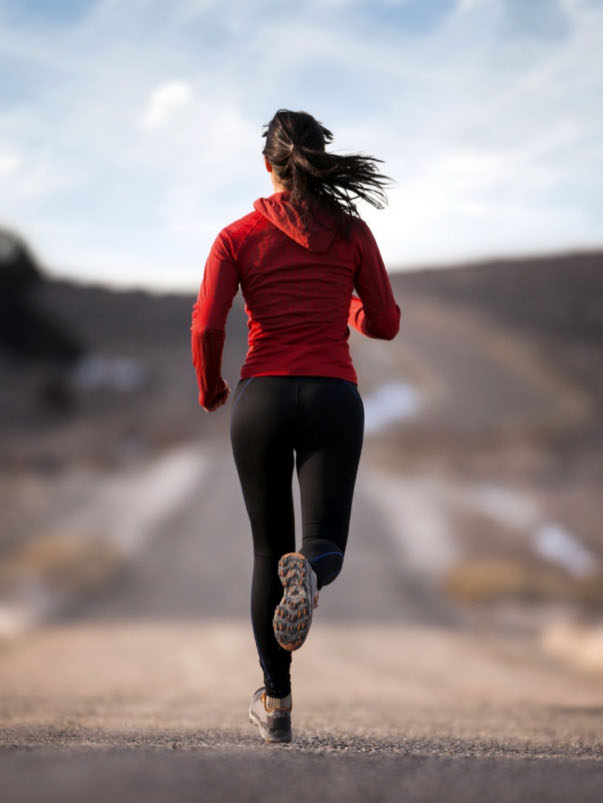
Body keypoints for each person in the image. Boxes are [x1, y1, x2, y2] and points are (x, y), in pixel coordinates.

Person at [190, 109, 400, 744]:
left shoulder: (237, 236)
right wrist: (352, 304)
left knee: (265, 550)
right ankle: (308, 572)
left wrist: (211, 387)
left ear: (267, 165)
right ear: (320, 160)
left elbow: (206, 323)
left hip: (261, 398)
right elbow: (385, 323)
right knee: (320, 545)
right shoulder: (351, 232)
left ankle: (276, 702)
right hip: (333, 394)